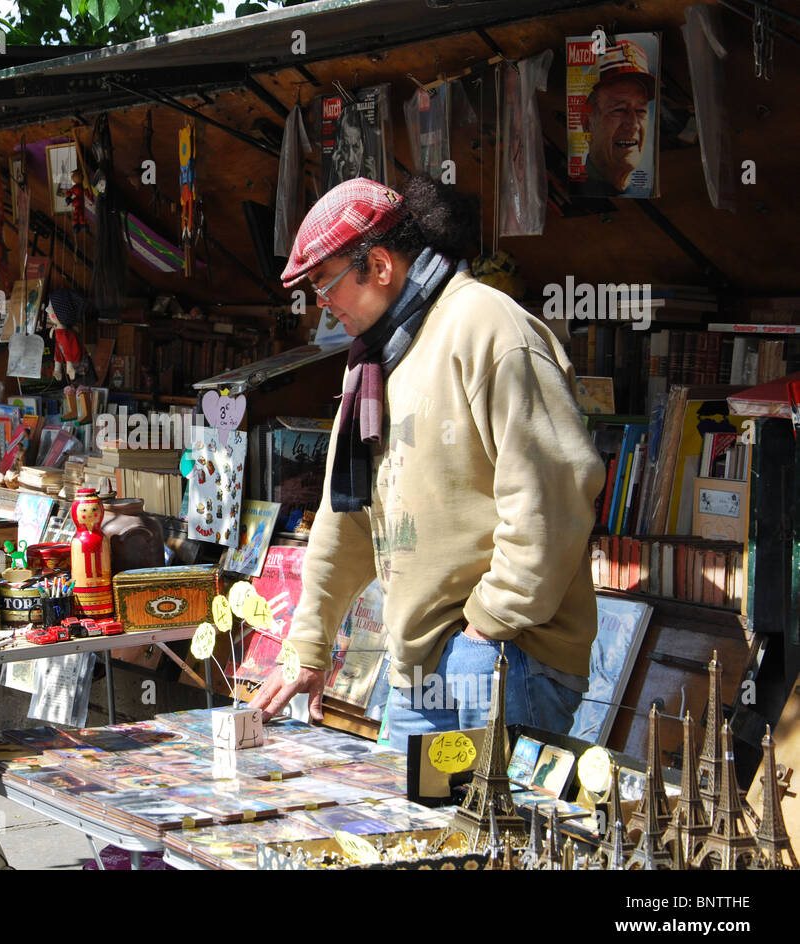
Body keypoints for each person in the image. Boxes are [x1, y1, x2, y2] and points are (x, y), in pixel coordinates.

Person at [250, 176, 604, 741]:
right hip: (421, 667)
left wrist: (488, 626)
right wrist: (310, 647)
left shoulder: (488, 326)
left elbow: (553, 495)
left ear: (381, 266)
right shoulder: (371, 359)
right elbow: (348, 517)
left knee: (492, 831)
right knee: (417, 832)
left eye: (325, 284)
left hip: (504, 658)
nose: (320, 304)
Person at [581, 41, 656, 197]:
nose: (634, 124)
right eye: (620, 109)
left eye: (641, 110)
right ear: (588, 124)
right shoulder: (579, 191)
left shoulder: (644, 192)